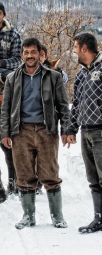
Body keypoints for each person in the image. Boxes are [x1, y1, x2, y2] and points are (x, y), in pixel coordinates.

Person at [0, 37, 69, 229]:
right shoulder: (12, 78)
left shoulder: (53, 77)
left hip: (47, 131)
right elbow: (5, 108)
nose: (29, 56)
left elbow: (63, 105)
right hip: (21, 132)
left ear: (40, 54)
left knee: (50, 173)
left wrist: (66, 129)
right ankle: (28, 216)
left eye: (33, 52)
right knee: (24, 174)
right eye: (26, 52)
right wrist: (5, 132)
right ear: (22, 54)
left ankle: (57, 216)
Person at [67, 33, 102, 233]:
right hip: (86, 132)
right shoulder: (81, 74)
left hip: (100, 131)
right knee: (93, 178)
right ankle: (98, 217)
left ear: (84, 48)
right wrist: (72, 129)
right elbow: (77, 104)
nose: (73, 51)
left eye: (75, 47)